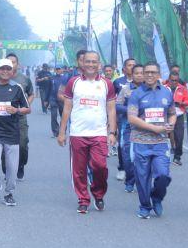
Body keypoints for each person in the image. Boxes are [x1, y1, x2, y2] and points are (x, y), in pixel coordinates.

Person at [57, 51, 117, 214]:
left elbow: (111, 109)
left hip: (99, 133)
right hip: (78, 133)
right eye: (88, 61)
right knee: (79, 170)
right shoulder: (73, 82)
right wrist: (62, 132)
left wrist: (112, 132)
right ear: (83, 63)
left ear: (99, 64)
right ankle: (83, 199)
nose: (91, 65)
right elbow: (67, 108)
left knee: (100, 167)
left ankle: (98, 194)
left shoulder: (107, 84)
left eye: (94, 62)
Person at [127, 61, 176, 219]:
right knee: (142, 178)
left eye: (153, 72)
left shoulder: (166, 92)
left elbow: (172, 113)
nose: (149, 75)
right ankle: (145, 206)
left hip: (161, 143)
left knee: (163, 175)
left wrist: (171, 124)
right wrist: (154, 128)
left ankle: (156, 197)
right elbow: (132, 118)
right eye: (146, 72)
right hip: (140, 142)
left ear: (159, 74)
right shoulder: (136, 93)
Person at [0, 59, 31, 206]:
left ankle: (9, 193)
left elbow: (27, 108)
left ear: (12, 71)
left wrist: (16, 110)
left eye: (8, 69)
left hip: (12, 132)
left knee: (12, 168)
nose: (5, 71)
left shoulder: (17, 88)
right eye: (2, 69)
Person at [4, 53, 34, 180]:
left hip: (19, 116)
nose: (11, 64)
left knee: (22, 144)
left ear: (18, 64)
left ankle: (20, 165)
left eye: (13, 62)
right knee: (4, 145)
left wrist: (26, 105)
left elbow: (31, 94)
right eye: (8, 62)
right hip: (3, 117)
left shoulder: (24, 79)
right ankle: (7, 169)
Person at [116, 63, 144, 192]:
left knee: (142, 157)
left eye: (142, 73)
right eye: (136, 73)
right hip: (128, 126)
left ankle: (142, 182)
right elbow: (117, 106)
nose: (139, 75)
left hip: (146, 127)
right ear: (132, 75)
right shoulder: (126, 89)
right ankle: (130, 180)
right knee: (128, 156)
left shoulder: (150, 89)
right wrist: (131, 109)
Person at [112, 58, 136, 180]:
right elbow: (114, 102)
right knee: (123, 145)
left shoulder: (143, 82)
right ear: (124, 68)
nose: (132, 67)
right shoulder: (118, 82)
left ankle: (136, 170)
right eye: (129, 65)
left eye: (134, 65)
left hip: (141, 120)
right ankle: (122, 168)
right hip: (123, 119)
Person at [167, 72, 188, 165]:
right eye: (172, 80)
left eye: (176, 80)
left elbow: (187, 102)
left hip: (179, 115)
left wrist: (180, 103)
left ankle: (177, 157)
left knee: (179, 137)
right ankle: (162, 156)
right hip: (166, 115)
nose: (174, 82)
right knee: (163, 136)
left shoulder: (183, 89)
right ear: (169, 79)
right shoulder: (163, 88)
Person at [49, 65, 64, 137]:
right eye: (57, 69)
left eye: (59, 69)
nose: (58, 70)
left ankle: (62, 130)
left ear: (62, 70)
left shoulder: (65, 78)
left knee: (63, 116)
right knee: (53, 116)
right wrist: (46, 100)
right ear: (55, 70)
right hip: (53, 99)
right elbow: (48, 89)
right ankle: (55, 131)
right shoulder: (52, 78)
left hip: (62, 99)